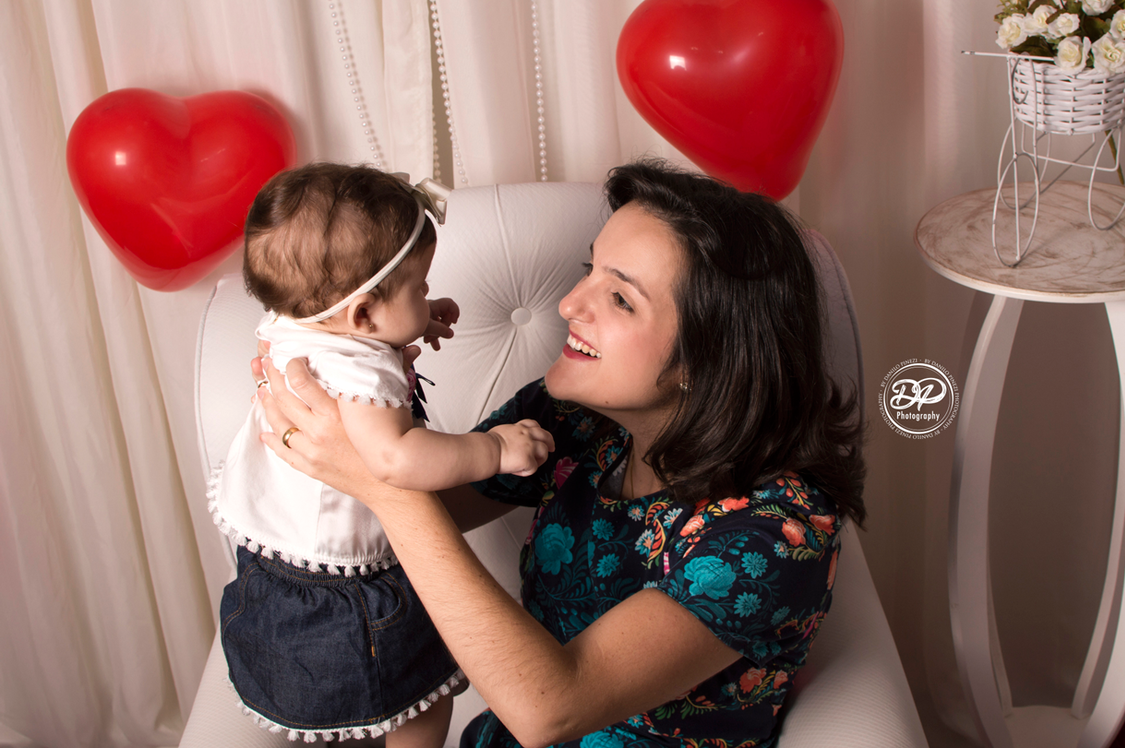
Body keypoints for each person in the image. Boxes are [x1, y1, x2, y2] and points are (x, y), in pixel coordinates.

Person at [257, 159, 866, 748]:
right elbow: (411, 522)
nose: (570, 304)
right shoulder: (574, 423)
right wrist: (371, 392)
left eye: (621, 299)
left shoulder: (775, 533)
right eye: (589, 270)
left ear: (711, 358)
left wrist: (381, 479)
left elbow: (549, 709)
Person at [212, 163, 554, 745]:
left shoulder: (294, 322)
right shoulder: (362, 365)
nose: (426, 294)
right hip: (353, 594)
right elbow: (397, 459)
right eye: (420, 286)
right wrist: (494, 448)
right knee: (423, 707)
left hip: (273, 574)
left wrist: (410, 321)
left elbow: (348, 343)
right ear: (364, 315)